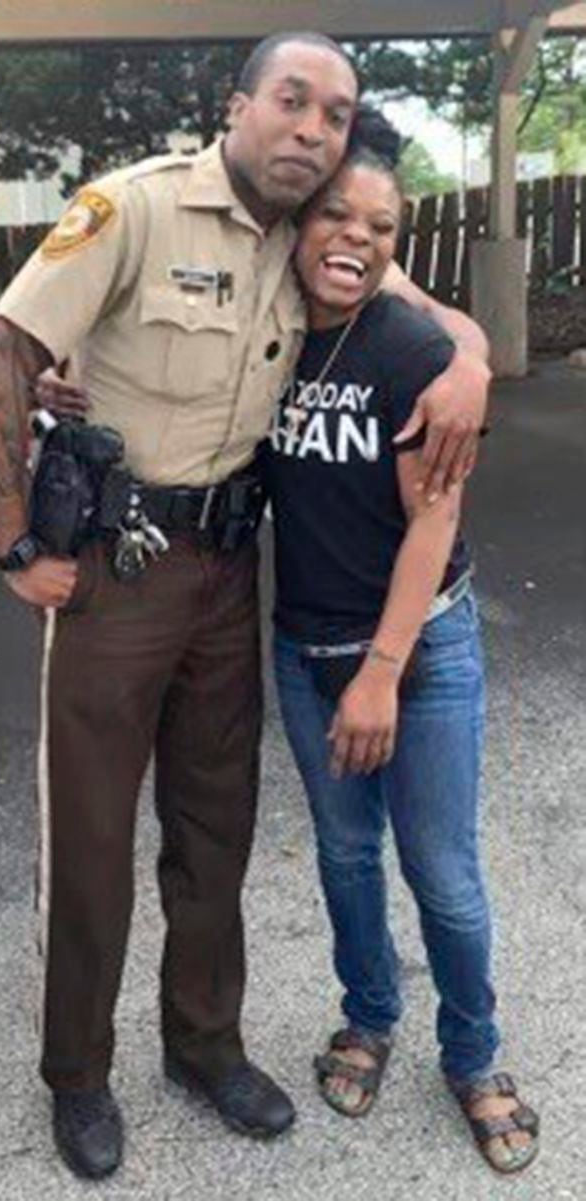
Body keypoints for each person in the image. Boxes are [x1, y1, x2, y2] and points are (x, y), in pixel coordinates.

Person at [0, 32, 490, 1181]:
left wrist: (474, 364)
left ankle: (203, 1044)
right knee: (91, 836)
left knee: (215, 828)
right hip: (114, 567)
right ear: (238, 106)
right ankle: (80, 1076)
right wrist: (10, 545)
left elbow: (436, 322)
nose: (311, 128)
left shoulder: (313, 235)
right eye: (291, 102)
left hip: (228, 571)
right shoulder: (132, 210)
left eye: (334, 113)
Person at [264, 135, 539, 1175]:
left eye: (380, 227)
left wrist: (379, 672)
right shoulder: (267, 333)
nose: (357, 239)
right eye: (337, 215)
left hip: (416, 648)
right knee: (342, 855)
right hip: (303, 648)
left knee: (442, 873)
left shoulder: (410, 350)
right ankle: (368, 1015)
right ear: (297, 221)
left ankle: (470, 1054)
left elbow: (430, 524)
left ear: (397, 246)